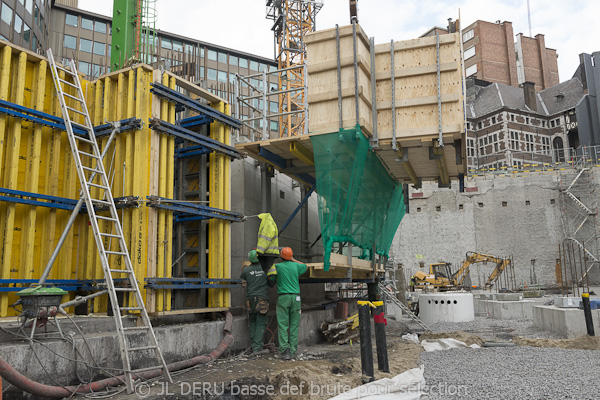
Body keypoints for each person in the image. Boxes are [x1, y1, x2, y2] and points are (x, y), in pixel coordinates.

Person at [267, 247, 307, 360]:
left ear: (281, 256)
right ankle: (293, 350)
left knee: (283, 325)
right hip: (296, 298)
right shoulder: (296, 266)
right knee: (294, 325)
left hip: (283, 298)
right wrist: (293, 259)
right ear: (291, 256)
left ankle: (285, 351)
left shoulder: (277, 267)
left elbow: (271, 278)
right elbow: (305, 266)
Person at [240, 250, 270, 355]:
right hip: (262, 299)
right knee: (261, 322)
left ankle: (254, 345)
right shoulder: (265, 269)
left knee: (252, 322)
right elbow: (271, 282)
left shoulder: (246, 270)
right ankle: (257, 348)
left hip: (250, 300)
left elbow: (241, 279)